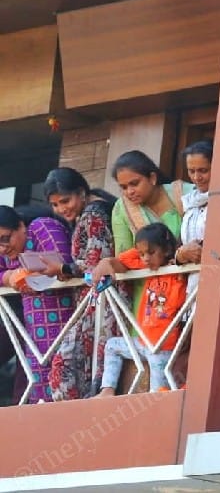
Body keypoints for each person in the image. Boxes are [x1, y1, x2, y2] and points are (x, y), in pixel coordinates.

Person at [42, 168, 122, 401]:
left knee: (64, 363)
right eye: (55, 205)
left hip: (101, 300)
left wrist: (64, 269)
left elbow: (98, 263)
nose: (61, 209)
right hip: (95, 300)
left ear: (81, 192)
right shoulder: (90, 211)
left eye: (65, 200)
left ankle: (72, 416)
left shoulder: (93, 214)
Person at [92, 223, 187, 397]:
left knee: (157, 394)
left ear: (166, 250)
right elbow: (124, 260)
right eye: (142, 254)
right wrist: (106, 261)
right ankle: (107, 390)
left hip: (162, 347)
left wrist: (174, 256)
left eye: (151, 253)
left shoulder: (177, 270)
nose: (145, 259)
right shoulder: (147, 267)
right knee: (112, 345)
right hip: (143, 342)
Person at [0, 205, 74, 403]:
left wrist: (28, 274)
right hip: (34, 332)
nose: (2, 248)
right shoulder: (6, 251)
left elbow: (65, 263)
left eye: (5, 239)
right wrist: (8, 276)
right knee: (38, 393)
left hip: (66, 322)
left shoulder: (42, 227)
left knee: (66, 386)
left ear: (21, 226)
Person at [110, 150, 190, 254]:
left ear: (152, 178)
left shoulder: (185, 193)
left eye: (134, 183)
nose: (129, 192)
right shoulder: (121, 208)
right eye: (124, 187)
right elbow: (124, 256)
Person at [177, 141, 213, 294]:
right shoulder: (189, 202)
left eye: (203, 170)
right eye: (191, 171)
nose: (197, 177)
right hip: (192, 285)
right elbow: (180, 245)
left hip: (216, 278)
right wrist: (181, 256)